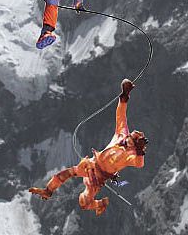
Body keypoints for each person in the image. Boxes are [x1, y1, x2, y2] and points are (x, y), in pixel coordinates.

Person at [29, 79, 148, 216]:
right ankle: (48, 190)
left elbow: (139, 164)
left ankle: (100, 203)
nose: (129, 139)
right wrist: (124, 96)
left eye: (133, 140)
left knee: (84, 202)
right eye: (131, 136)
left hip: (97, 177)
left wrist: (140, 151)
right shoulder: (122, 134)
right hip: (91, 164)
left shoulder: (131, 155)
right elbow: (121, 115)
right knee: (66, 173)